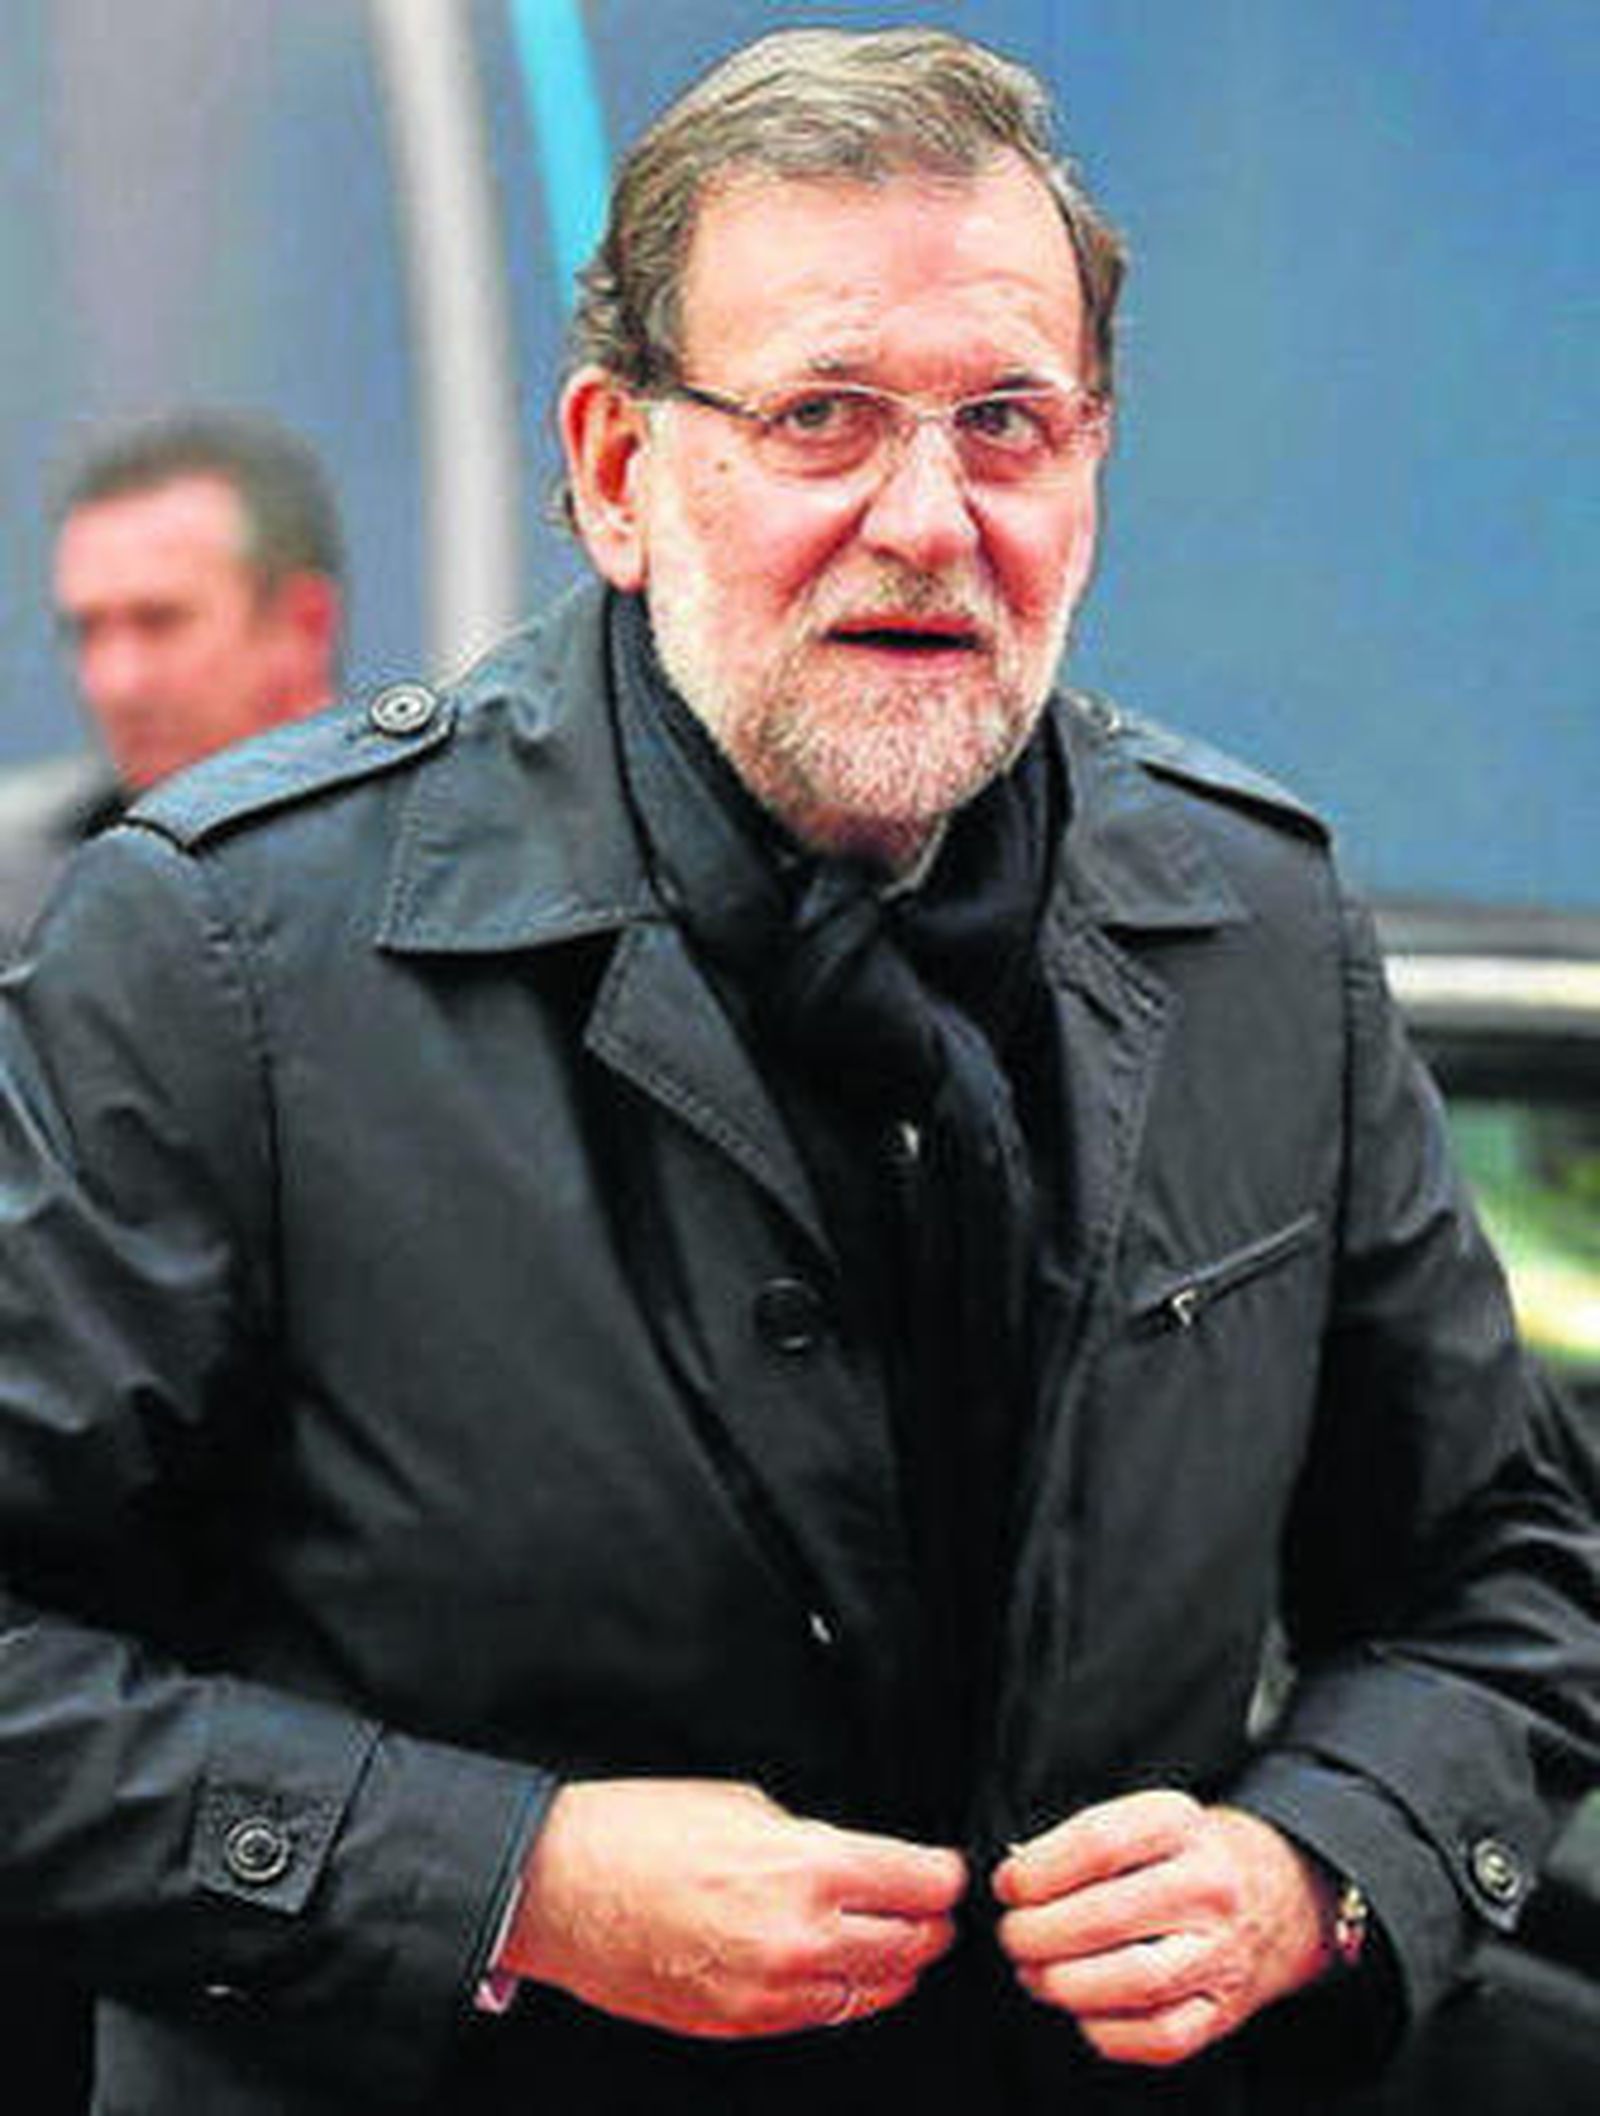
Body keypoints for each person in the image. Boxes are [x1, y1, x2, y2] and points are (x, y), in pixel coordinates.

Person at [0, 28, 1593, 2116]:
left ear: (1093, 463)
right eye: (821, 416)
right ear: (614, 469)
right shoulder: (227, 947)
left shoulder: (1259, 925)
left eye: (1004, 421)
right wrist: (511, 1879)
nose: (925, 519)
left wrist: (1318, 1863)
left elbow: (1502, 1576)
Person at [0, 410, 344, 956]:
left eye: (160, 622)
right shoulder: (20, 891)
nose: (118, 682)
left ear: (303, 625)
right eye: (87, 630)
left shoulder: (432, 873)